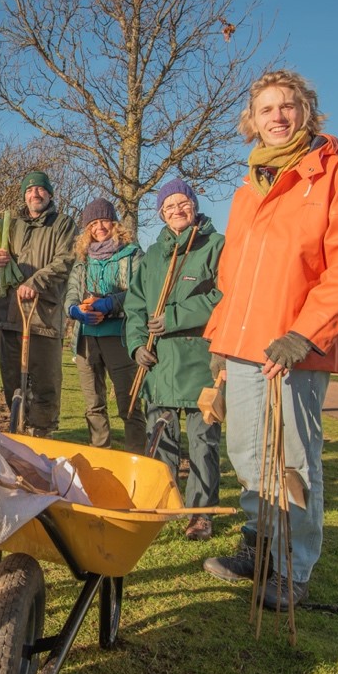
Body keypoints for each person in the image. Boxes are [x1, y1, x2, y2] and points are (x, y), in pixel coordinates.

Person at [202, 70, 338, 611]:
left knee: (294, 459)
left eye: (288, 106)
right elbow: (234, 275)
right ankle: (257, 547)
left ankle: (293, 568)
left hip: (293, 349)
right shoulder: (245, 191)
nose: (277, 116)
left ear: (308, 112)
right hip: (245, 344)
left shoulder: (336, 178)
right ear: (251, 122)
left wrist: (305, 333)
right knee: (248, 454)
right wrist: (224, 342)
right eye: (266, 109)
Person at [124, 178, 225, 541]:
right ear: (161, 214)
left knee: (203, 441)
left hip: (201, 360)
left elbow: (224, 296)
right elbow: (134, 305)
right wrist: (137, 345)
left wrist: (175, 315)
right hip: (160, 364)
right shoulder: (152, 255)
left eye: (183, 204)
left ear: (194, 206)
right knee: (160, 436)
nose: (177, 211)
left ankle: (200, 514)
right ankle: (163, 504)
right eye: (169, 207)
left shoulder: (215, 246)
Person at [0, 171, 77, 437]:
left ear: (49, 194)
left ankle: (43, 435)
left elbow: (65, 260)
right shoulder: (11, 226)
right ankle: (18, 433)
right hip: (9, 314)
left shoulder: (62, 224)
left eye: (40, 189)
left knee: (45, 384)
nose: (34, 194)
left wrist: (35, 282)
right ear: (24, 196)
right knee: (12, 382)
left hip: (44, 317)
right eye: (29, 190)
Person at [62, 198, 145, 451]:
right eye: (93, 223)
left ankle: (138, 458)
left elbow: (141, 292)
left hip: (119, 338)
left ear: (114, 223)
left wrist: (111, 304)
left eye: (104, 221)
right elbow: (71, 296)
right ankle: (101, 455)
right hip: (86, 340)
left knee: (128, 404)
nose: (99, 227)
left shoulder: (132, 254)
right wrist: (77, 311)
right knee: (93, 405)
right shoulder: (83, 259)